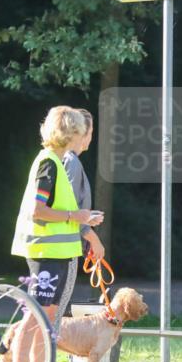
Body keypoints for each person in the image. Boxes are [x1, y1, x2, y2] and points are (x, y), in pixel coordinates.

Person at [10, 106, 103, 362]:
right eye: (79, 131)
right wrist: (77, 216)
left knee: (46, 319)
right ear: (69, 133)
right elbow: (39, 210)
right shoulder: (49, 164)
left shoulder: (57, 162)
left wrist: (82, 219)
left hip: (58, 252)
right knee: (34, 318)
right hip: (45, 252)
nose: (83, 137)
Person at [55, 108, 106, 330]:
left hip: (65, 242)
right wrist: (93, 238)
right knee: (55, 307)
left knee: (53, 307)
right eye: (90, 131)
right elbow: (68, 206)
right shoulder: (72, 162)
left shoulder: (69, 161)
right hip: (63, 245)